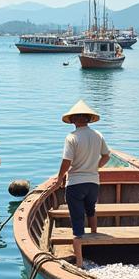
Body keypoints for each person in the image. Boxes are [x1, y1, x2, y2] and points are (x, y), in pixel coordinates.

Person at [56, 100, 110, 269]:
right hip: (93, 181)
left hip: (76, 183)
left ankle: (79, 261)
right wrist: (95, 167)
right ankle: (94, 242)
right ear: (88, 119)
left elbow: (66, 161)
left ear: (73, 120)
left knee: (77, 218)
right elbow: (106, 156)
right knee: (91, 210)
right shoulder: (97, 135)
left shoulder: (71, 137)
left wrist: (59, 178)